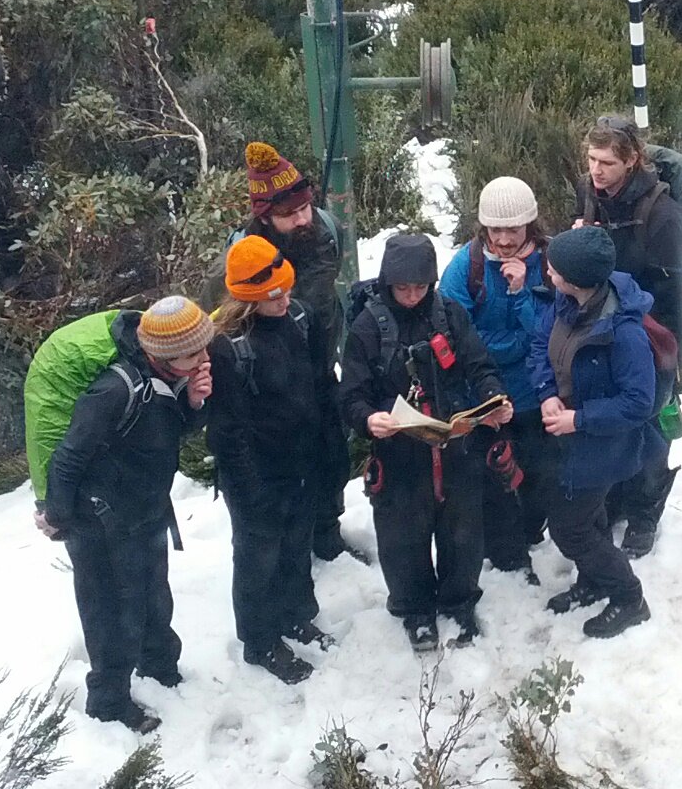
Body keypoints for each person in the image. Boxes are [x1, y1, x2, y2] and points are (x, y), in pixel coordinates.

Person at [43, 295, 215, 734]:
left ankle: (161, 668)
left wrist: (194, 403)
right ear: (165, 354)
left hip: (144, 509)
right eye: (194, 352)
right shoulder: (114, 389)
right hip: (100, 521)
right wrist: (58, 516)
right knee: (109, 611)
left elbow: (160, 431)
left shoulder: (162, 377)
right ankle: (108, 703)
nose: (204, 358)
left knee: (154, 596)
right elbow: (68, 457)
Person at [337, 233, 512, 651]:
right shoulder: (368, 327)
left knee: (463, 533)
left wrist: (493, 399)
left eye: (420, 287)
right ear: (387, 283)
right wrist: (368, 419)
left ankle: (459, 602)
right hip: (399, 451)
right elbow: (350, 396)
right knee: (403, 538)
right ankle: (415, 611)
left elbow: (478, 364)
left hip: (455, 443)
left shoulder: (449, 315)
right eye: (403, 288)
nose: (412, 296)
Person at [207, 236, 347, 686]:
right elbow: (227, 432)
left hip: (302, 461)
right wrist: (250, 491)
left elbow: (322, 384)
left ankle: (298, 615)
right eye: (275, 297)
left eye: (287, 290)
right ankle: (260, 640)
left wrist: (330, 450)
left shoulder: (301, 319)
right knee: (257, 557)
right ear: (248, 298)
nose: (286, 300)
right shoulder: (229, 348)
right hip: (256, 475)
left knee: (296, 545)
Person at [214, 141, 347, 562]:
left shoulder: (326, 228)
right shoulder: (241, 256)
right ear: (265, 217)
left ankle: (329, 532)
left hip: (320, 358)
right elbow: (223, 316)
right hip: (270, 382)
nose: (303, 218)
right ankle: (291, 548)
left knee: (331, 453)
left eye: (305, 207)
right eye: (290, 214)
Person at [528, 225, 657, 639]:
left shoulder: (625, 334)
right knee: (588, 514)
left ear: (578, 278)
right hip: (569, 440)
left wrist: (578, 419)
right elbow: (539, 345)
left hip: (600, 448)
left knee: (571, 528)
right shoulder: (567, 302)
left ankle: (628, 596)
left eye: (555, 269)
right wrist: (548, 392)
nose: (548, 274)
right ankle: (593, 581)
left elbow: (639, 401)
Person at [575, 115, 682, 555]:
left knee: (650, 425)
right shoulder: (588, 193)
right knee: (610, 419)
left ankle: (645, 515)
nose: (596, 171)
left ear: (632, 161)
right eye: (591, 159)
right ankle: (618, 499)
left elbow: (677, 293)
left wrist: (670, 354)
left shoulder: (661, 214)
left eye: (607, 162)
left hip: (649, 330)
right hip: (598, 327)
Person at [440, 176, 554, 578]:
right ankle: (507, 555)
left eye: (514, 229)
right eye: (496, 229)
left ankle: (532, 533)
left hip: (536, 394)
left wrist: (521, 293)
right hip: (484, 396)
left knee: (537, 469)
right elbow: (458, 335)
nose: (504, 239)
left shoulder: (548, 262)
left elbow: (549, 329)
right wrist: (518, 343)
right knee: (492, 476)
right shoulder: (463, 269)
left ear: (530, 226)